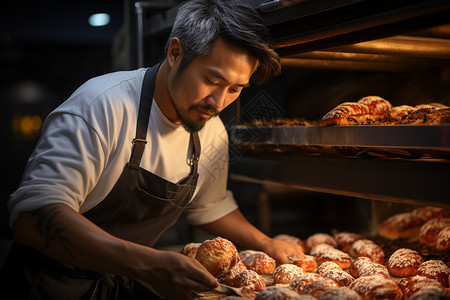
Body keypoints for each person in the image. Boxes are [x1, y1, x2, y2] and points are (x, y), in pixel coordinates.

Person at [1, 0, 304, 299]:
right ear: (175, 53)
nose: (219, 102)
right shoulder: (101, 106)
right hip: (46, 285)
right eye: (212, 80)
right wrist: (147, 264)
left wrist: (267, 243)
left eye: (236, 89)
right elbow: (33, 218)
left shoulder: (210, 130)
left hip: (119, 284)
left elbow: (210, 205)